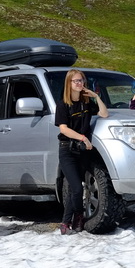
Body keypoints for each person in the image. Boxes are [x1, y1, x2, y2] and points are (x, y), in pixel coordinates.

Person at [54, 69, 108, 234]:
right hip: (67, 150)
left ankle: (68, 222)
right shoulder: (63, 105)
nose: (80, 83)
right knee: (77, 188)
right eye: (76, 81)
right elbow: (63, 129)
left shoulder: (86, 103)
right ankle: (76, 216)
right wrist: (83, 138)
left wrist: (96, 96)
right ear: (69, 83)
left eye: (82, 80)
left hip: (83, 152)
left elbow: (104, 114)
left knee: (74, 189)